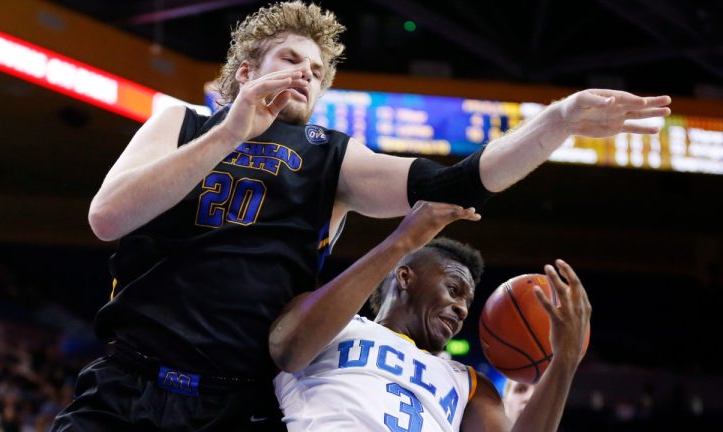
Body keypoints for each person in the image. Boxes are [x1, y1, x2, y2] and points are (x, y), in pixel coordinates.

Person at [53, 0, 666, 429]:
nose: (305, 74)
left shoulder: (333, 158)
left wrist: (555, 121)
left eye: (317, 72)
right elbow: (107, 218)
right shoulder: (182, 123)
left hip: (236, 402)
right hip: (127, 380)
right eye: (289, 59)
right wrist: (228, 134)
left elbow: (457, 181)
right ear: (246, 72)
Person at [270, 201, 592, 431]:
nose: (463, 309)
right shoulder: (334, 325)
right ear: (405, 277)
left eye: (466, 301)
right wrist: (402, 240)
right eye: (454, 289)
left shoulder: (470, 383)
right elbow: (288, 350)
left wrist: (564, 360)